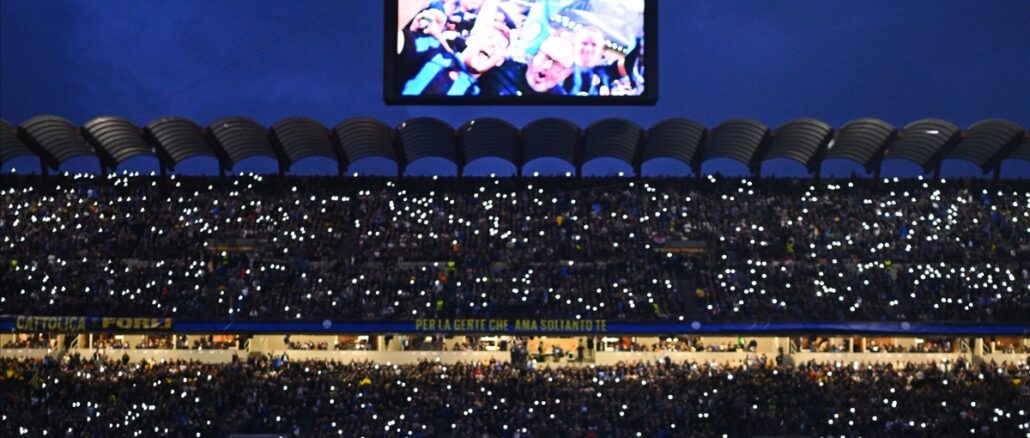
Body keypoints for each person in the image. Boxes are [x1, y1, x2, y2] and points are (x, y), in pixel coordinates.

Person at [397, 0, 514, 96]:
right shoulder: (433, 48)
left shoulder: (482, 97)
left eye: (500, 45)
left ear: (499, 61)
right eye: (489, 36)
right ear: (470, 39)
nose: (493, 44)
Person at [477, 35, 575, 96]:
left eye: (557, 65)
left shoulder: (562, 106)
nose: (547, 66)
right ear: (536, 54)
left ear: (565, 74)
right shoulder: (500, 71)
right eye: (546, 57)